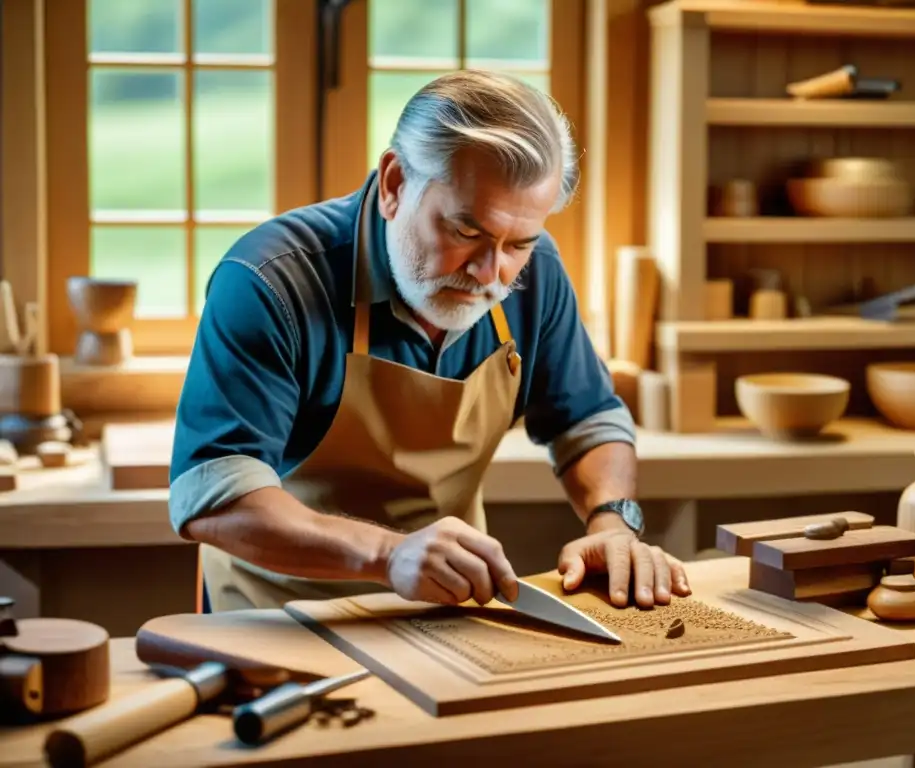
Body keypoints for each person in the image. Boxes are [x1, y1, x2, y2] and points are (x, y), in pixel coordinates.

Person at [169, 70, 691, 613]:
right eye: (466, 232)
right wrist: (387, 555)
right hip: (278, 620)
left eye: (518, 243)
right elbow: (213, 497)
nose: (491, 272)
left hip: (445, 615)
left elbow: (586, 420)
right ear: (395, 185)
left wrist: (612, 521)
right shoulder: (271, 280)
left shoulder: (534, 272)